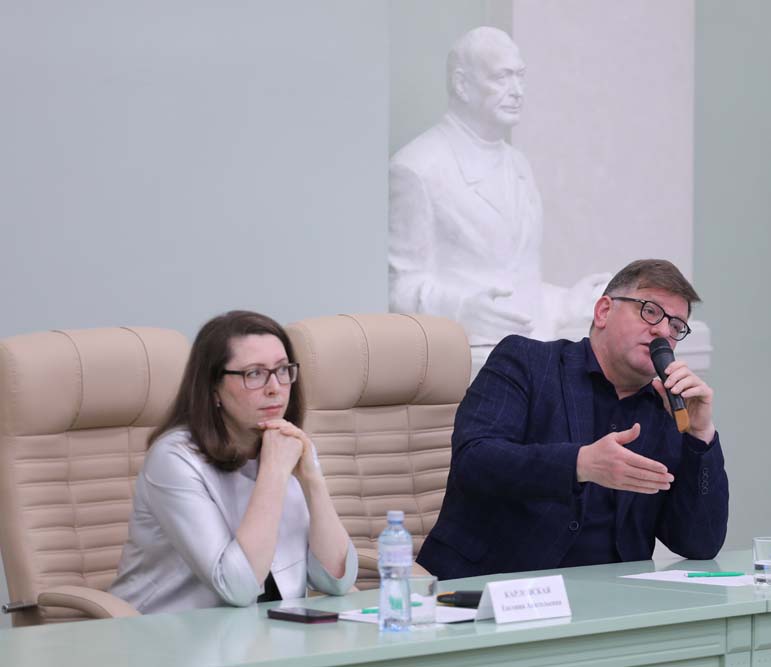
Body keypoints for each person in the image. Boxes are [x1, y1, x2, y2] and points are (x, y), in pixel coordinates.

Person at [417, 260, 728, 579]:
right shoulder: (526, 362)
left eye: (676, 326)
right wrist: (580, 464)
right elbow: (475, 461)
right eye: (650, 311)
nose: (663, 331)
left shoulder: (666, 408)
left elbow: (700, 543)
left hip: (612, 597)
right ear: (603, 311)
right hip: (495, 586)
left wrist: (700, 434)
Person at [109, 311, 357, 613]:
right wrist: (274, 472)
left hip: (265, 632)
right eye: (254, 373)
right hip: (165, 632)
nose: (274, 387)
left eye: (282, 370)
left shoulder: (287, 444)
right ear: (213, 387)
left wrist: (312, 480)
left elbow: (336, 580)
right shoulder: (174, 459)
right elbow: (238, 588)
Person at [388, 27, 608, 367]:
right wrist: (461, 311)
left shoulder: (518, 164)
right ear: (462, 84)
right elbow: (398, 288)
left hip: (533, 359)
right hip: (468, 365)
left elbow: (511, 278)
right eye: (502, 77)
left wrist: (566, 302)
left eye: (520, 76)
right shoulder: (417, 168)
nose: (517, 91)